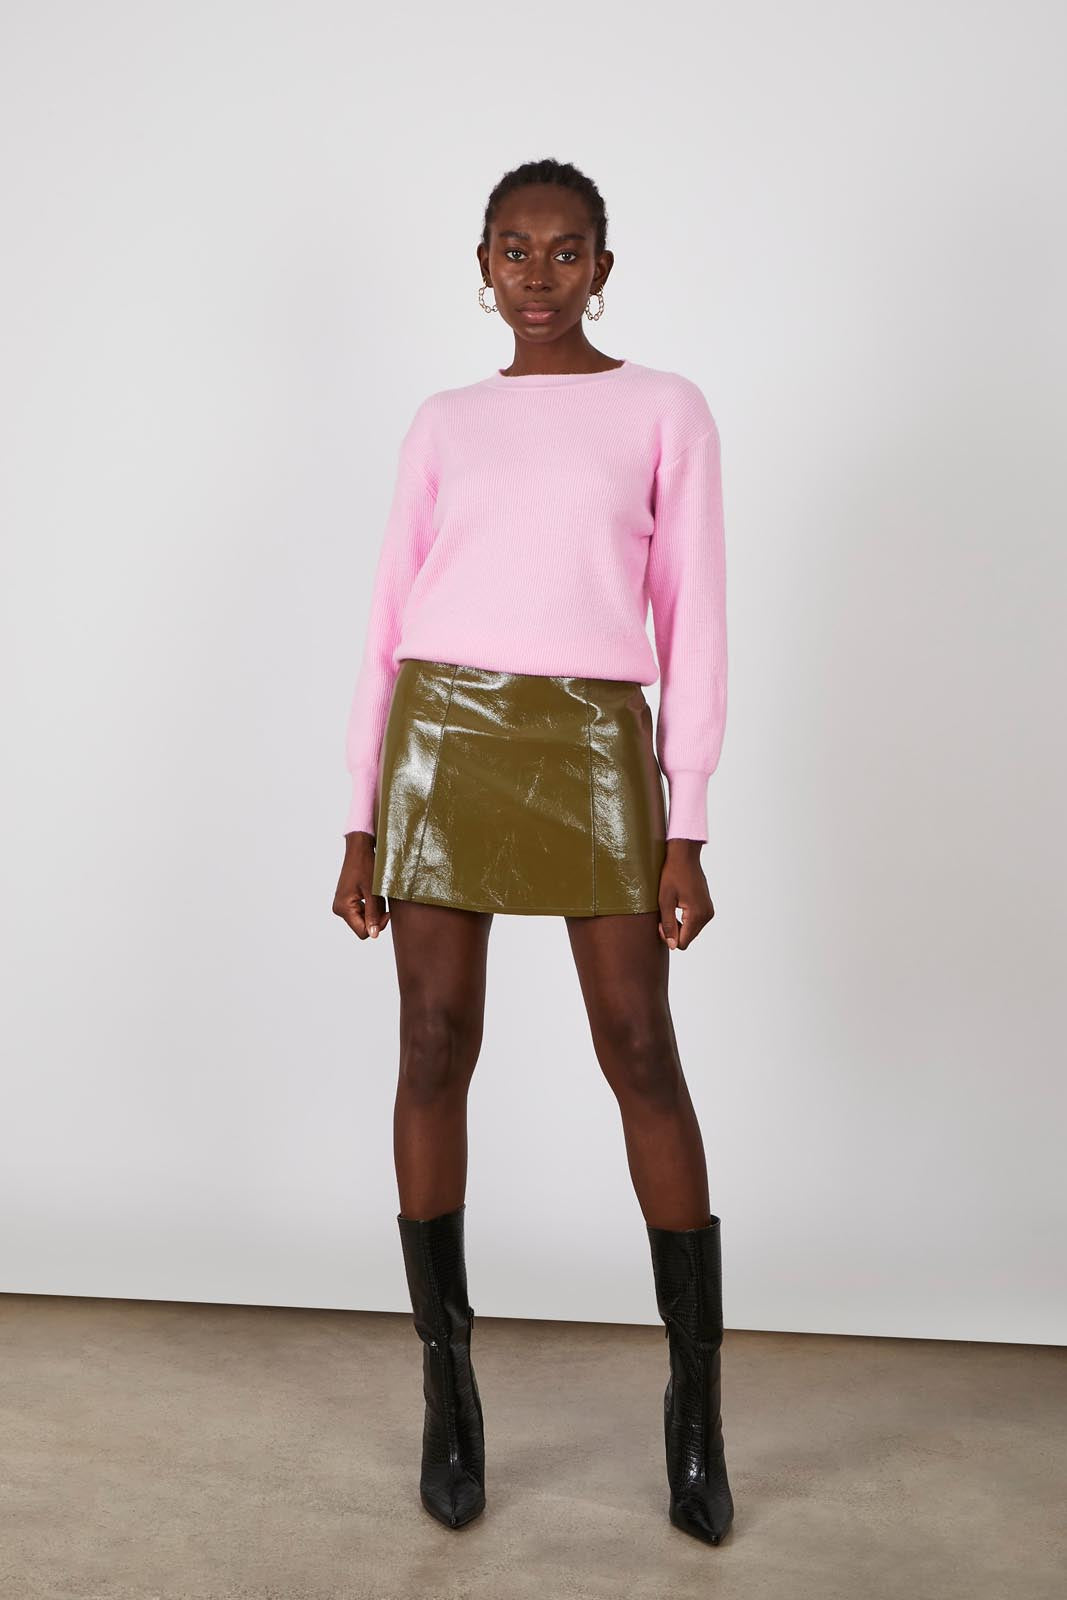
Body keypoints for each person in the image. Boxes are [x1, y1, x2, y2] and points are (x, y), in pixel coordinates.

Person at [332, 157, 734, 1546]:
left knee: (640, 1046)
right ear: (484, 265)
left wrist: (686, 820)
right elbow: (387, 619)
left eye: (567, 252)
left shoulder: (665, 409)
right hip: (443, 734)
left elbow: (692, 617)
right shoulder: (445, 422)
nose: (540, 275)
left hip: (593, 741)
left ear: (603, 268)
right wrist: (362, 813)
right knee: (432, 1043)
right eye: (516, 249)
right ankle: (449, 1389)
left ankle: (696, 1412)